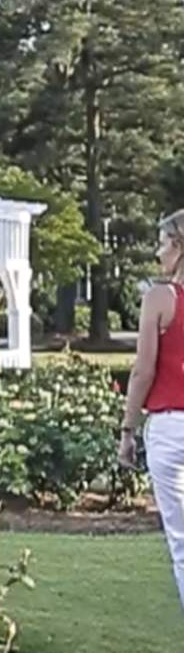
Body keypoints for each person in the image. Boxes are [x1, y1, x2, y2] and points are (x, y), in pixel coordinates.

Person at [119, 209, 184, 615]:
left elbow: (144, 370)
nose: (158, 252)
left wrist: (127, 429)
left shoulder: (161, 298)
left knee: (182, 540)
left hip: (170, 428)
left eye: (162, 243)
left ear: (178, 247)